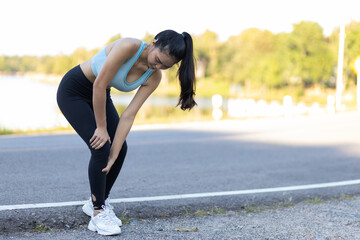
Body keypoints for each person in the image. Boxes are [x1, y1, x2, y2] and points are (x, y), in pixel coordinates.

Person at [56, 29, 196, 236]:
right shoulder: (128, 47)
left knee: (119, 149)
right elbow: (99, 83)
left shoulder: (154, 77)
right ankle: (98, 213)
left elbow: (129, 115)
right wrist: (101, 128)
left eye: (164, 66)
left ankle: (97, 201)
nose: (157, 66)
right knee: (101, 145)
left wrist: (114, 151)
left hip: (101, 94)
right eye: (157, 59)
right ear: (153, 42)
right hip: (74, 91)